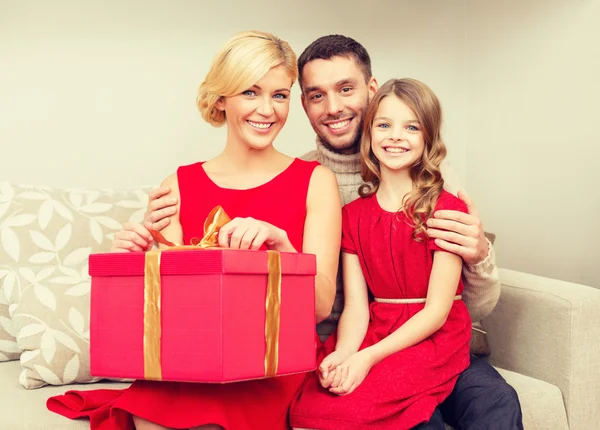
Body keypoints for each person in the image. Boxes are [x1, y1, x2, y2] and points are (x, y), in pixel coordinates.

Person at [145, 35, 523, 429]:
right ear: (304, 103)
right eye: (315, 95)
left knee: (493, 401)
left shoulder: (433, 183)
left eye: (346, 89)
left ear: (372, 91)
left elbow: (470, 307)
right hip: (352, 342)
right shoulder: (309, 178)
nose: (334, 107)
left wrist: (479, 256)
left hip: (433, 342)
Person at [46, 30, 342, 430]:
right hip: (193, 361)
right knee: (146, 418)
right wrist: (135, 262)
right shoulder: (178, 185)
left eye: (279, 94)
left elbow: (321, 307)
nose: (268, 110)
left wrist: (283, 247)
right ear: (222, 98)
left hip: (272, 363)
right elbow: (173, 314)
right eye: (250, 92)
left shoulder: (315, 180)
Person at [291, 77, 473, 429]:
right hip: (379, 328)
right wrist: (345, 353)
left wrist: (366, 359)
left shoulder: (446, 209)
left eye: (411, 127)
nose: (395, 136)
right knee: (313, 407)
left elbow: (437, 312)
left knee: (365, 404)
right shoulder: (353, 216)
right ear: (369, 134)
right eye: (384, 125)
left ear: (428, 138)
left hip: (435, 336)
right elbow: (358, 306)